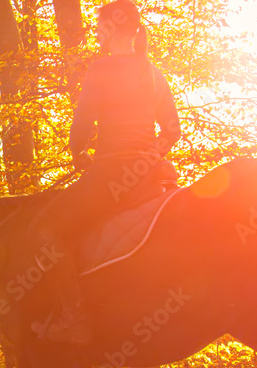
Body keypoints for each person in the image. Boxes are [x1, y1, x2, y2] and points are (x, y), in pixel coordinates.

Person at [29, 0, 181, 345]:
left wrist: (79, 153)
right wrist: (148, 156)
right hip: (151, 174)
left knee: (45, 230)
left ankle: (74, 319)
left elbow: (81, 125)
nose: (97, 34)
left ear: (108, 30)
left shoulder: (101, 70)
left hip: (111, 173)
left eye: (99, 28)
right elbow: (172, 129)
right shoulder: (153, 72)